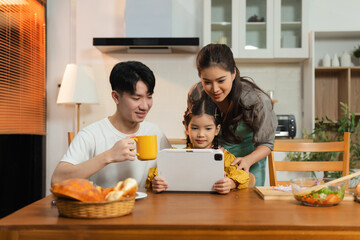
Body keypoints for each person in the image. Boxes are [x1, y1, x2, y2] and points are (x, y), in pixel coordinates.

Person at [51, 61, 171, 189]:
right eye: (136, 98)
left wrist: (160, 183)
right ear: (116, 97)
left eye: (149, 97)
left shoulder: (155, 131)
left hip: (148, 207)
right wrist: (109, 156)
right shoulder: (91, 135)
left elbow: (172, 170)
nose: (145, 106)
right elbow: (57, 180)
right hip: (105, 208)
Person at [187, 43, 277, 186]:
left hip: (248, 164)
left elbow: (266, 143)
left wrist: (247, 160)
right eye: (207, 82)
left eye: (221, 81)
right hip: (213, 164)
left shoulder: (256, 101)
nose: (215, 89)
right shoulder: (197, 94)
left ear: (233, 73)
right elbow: (194, 125)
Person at [146, 98, 250, 194]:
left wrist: (231, 183)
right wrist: (156, 183)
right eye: (195, 128)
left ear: (217, 130)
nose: (201, 134)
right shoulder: (175, 156)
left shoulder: (224, 158)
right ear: (187, 128)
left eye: (208, 128)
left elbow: (243, 176)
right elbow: (156, 175)